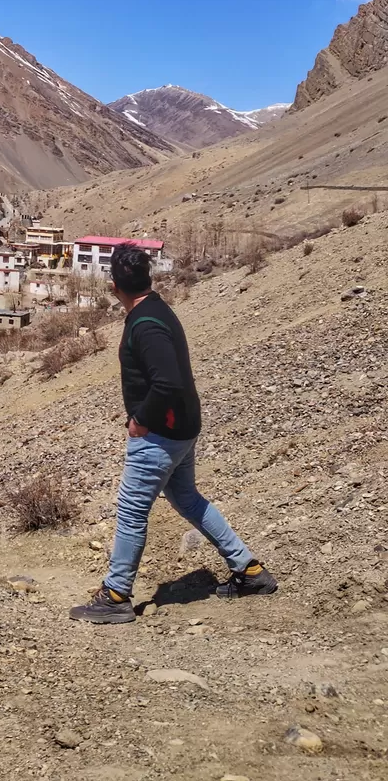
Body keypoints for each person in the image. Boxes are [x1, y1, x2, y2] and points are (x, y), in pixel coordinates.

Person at [69, 242, 276, 624]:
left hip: (160, 435)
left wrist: (140, 420)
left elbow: (167, 381)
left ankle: (116, 596)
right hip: (182, 429)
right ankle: (249, 571)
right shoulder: (156, 309)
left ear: (114, 286)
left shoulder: (146, 325)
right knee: (186, 498)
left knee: (132, 510)